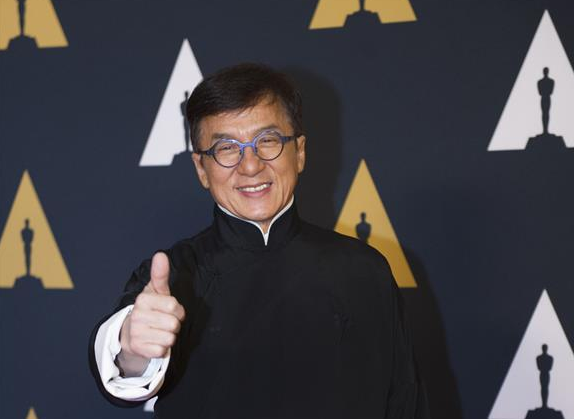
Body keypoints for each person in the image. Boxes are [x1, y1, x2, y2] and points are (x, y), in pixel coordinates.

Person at [89, 63, 428, 418]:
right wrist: (133, 349)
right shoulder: (174, 276)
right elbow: (123, 365)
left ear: (299, 152)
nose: (250, 166)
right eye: (226, 148)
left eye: (267, 141)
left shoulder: (365, 270)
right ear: (201, 168)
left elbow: (406, 402)